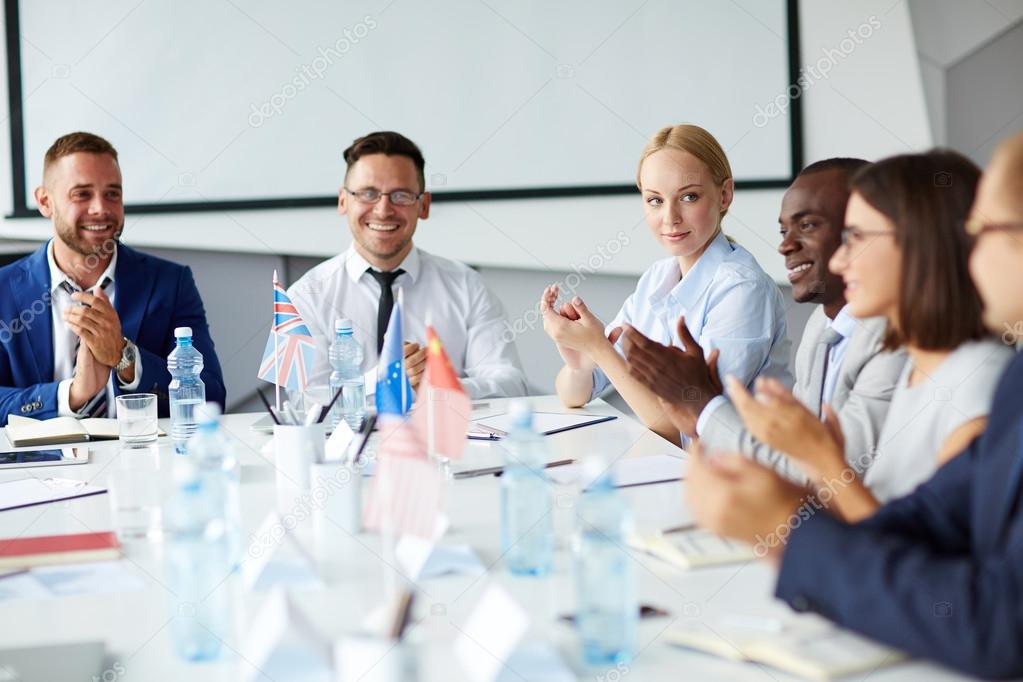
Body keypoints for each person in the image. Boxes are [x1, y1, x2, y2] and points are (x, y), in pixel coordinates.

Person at [685, 131, 1023, 678]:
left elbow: (996, 623)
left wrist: (794, 514)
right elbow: (916, 523)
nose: (971, 249)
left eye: (986, 232)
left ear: (919, 244)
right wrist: (788, 502)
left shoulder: (987, 381)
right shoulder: (1014, 382)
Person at [721, 149, 1013, 520]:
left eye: (855, 237)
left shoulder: (976, 381)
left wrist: (821, 463)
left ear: (919, 243)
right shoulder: (920, 369)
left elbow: (916, 561)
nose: (841, 261)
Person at [622, 158, 906, 481]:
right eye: (784, 230)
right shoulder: (820, 327)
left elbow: (824, 479)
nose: (785, 246)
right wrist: (703, 410)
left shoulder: (894, 343)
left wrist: (704, 406)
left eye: (808, 225)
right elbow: (794, 452)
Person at [540, 124, 791, 444]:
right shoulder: (656, 279)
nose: (670, 217)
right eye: (655, 200)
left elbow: (689, 434)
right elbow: (573, 395)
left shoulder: (742, 290)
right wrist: (580, 363)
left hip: (738, 481)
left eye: (689, 197)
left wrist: (599, 349)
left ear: (724, 195)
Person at [0, 132, 226, 422]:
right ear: (45, 202)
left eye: (112, 194)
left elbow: (210, 399)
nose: (101, 209)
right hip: (41, 466)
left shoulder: (170, 283)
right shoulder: (5, 291)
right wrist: (71, 395)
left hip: (144, 459)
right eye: (82, 194)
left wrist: (124, 357)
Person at [288, 131, 527, 400]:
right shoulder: (306, 295)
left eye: (400, 195)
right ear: (343, 200)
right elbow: (302, 401)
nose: (383, 210)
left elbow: (510, 384)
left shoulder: (467, 286)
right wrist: (381, 380)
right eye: (368, 193)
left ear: (423, 206)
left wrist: (439, 385)